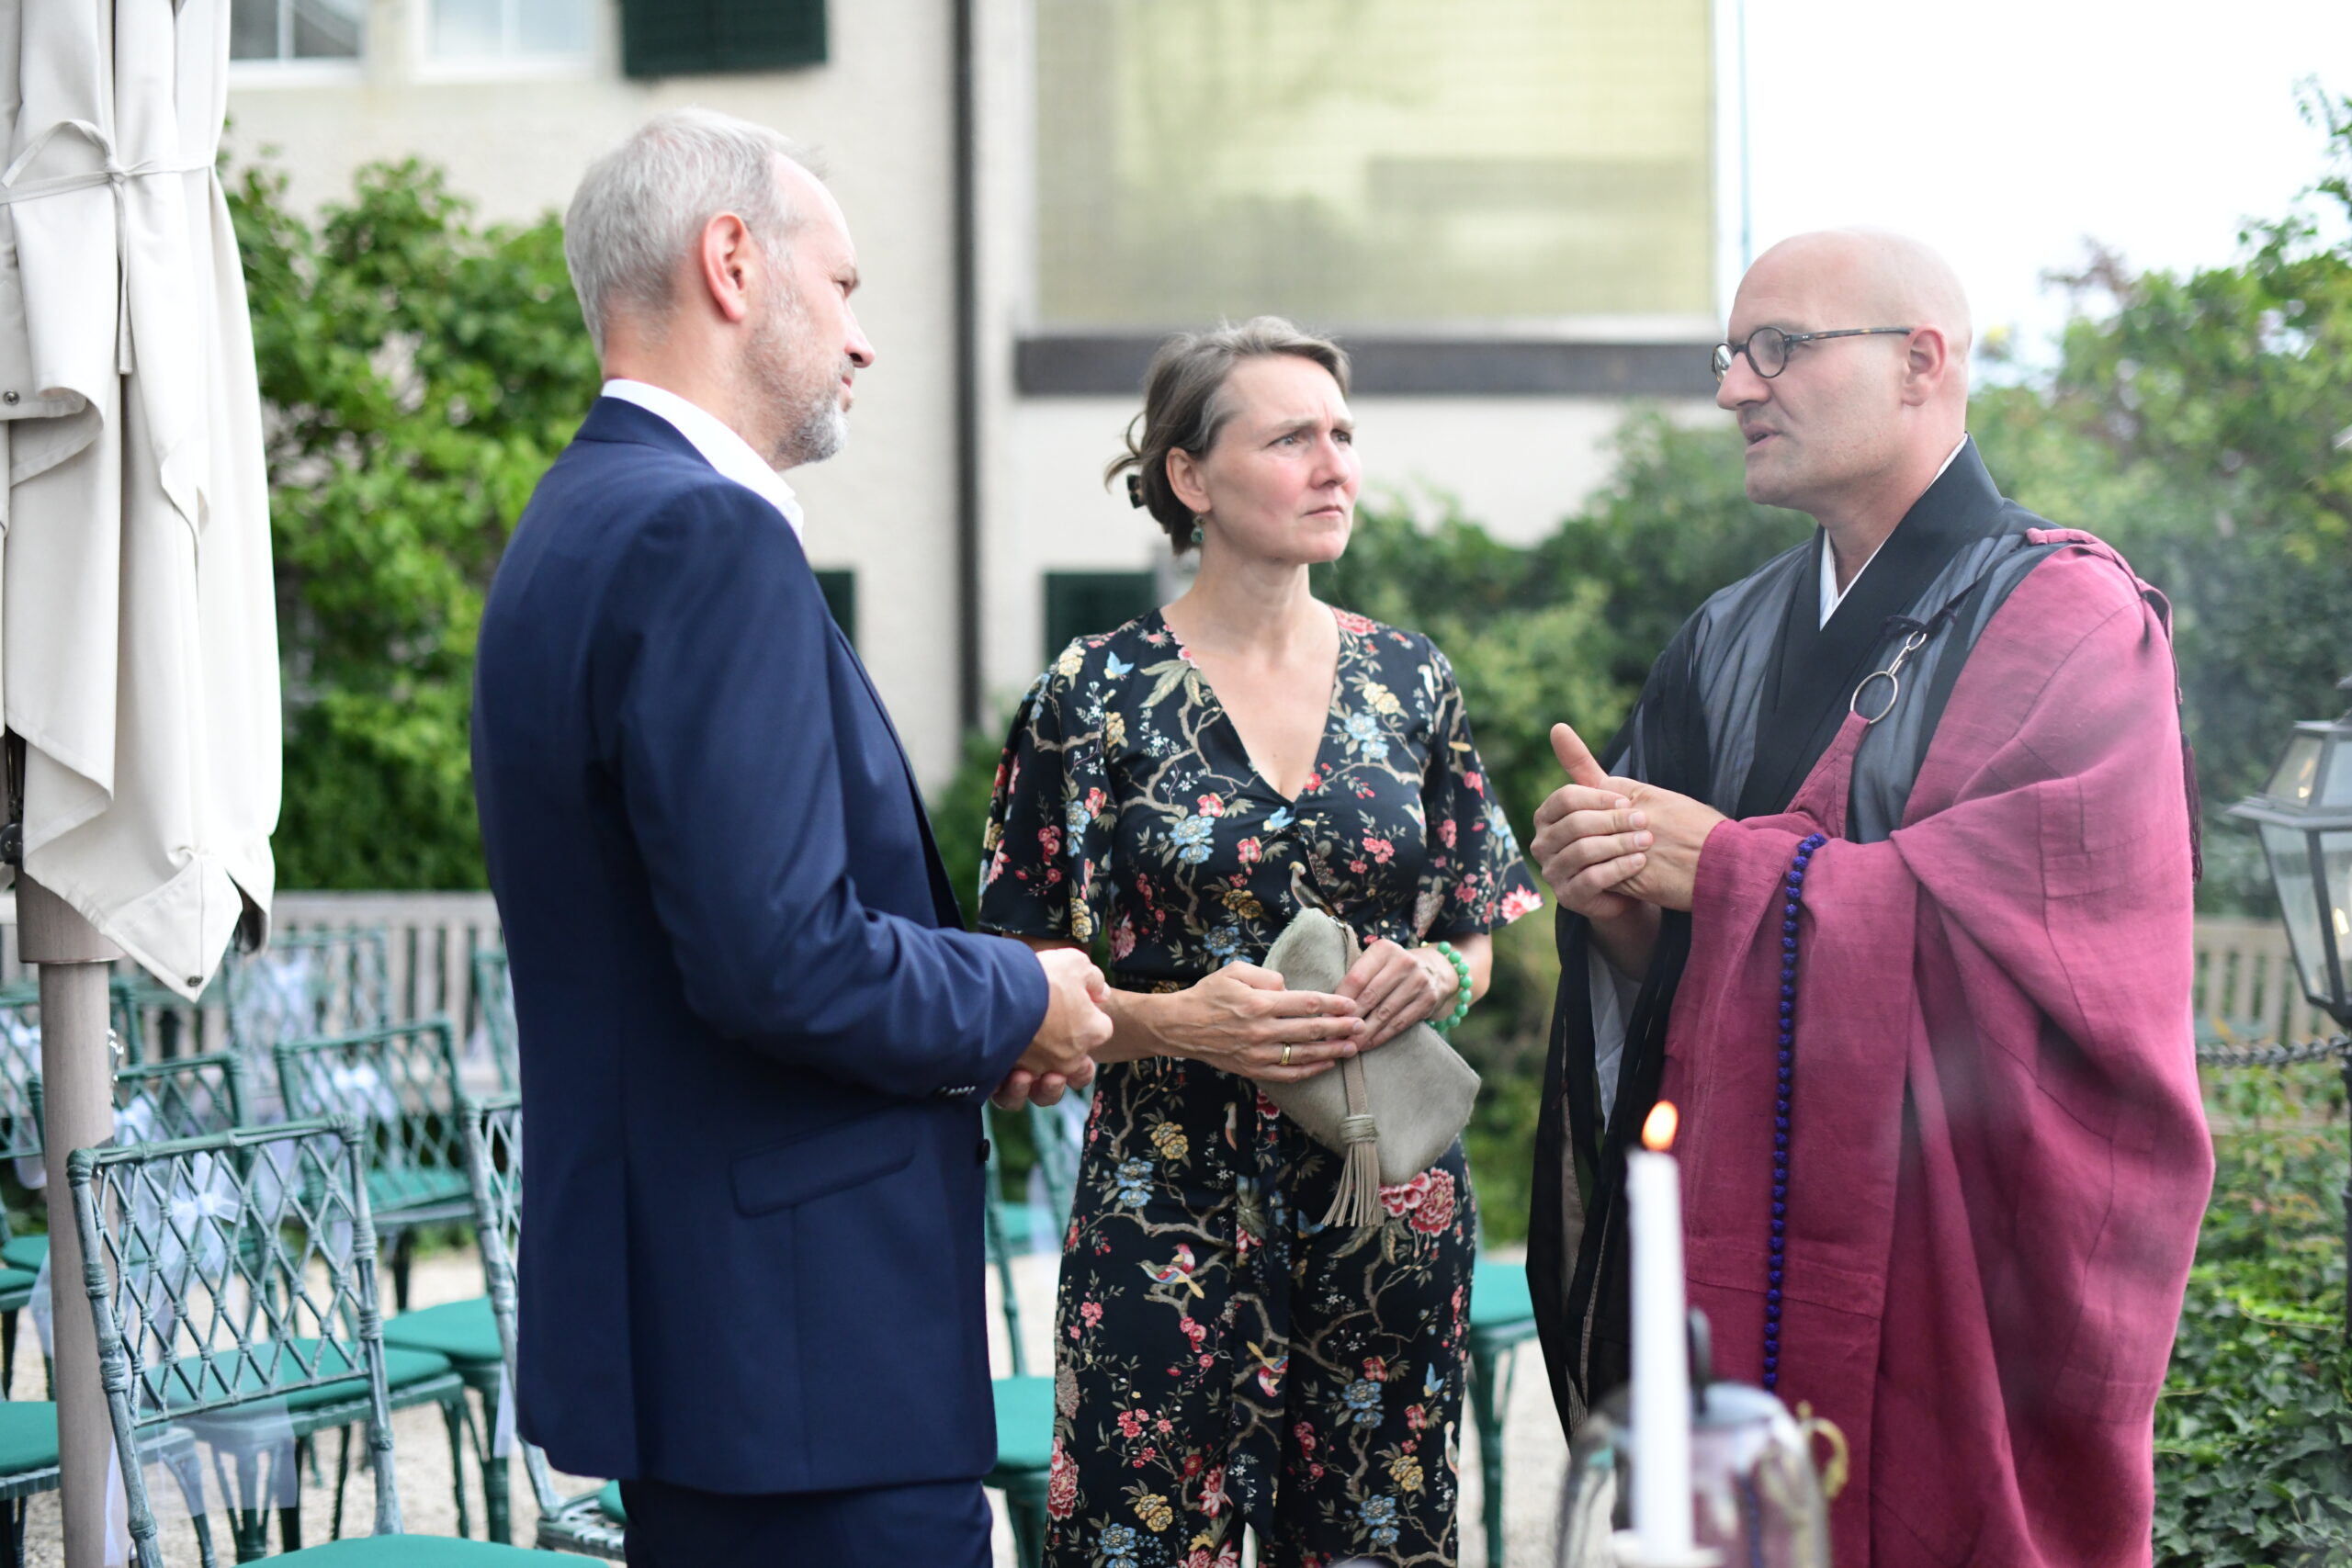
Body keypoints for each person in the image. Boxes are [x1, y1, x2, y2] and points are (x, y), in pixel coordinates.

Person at [470, 109, 1113, 1568]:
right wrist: (1024, 992)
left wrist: (966, 1014)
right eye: (843, 285)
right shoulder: (708, 536)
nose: (862, 339)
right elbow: (781, 958)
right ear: (733, 262)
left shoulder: (568, 525)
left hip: (708, 1344)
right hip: (807, 1352)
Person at [1525, 230, 2211, 1565]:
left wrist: (1723, 872)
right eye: (1730, 355)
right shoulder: (1723, 637)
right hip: (1733, 1244)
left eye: (1777, 348)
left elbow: (2063, 954)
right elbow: (1670, 968)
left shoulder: (2069, 619)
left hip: (1943, 1271)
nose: (1735, 389)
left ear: (1921, 363)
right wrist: (1614, 900)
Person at [978, 318, 1544, 1568]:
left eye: (1342, 434)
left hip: (1385, 1201)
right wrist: (1182, 1022)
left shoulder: (1412, 682)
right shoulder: (1089, 697)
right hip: (1163, 1204)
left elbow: (1479, 930)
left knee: (1378, 1548)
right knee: (1139, 1545)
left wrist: (1438, 971)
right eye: (1293, 437)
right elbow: (1012, 989)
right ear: (1191, 476)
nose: (1334, 463)